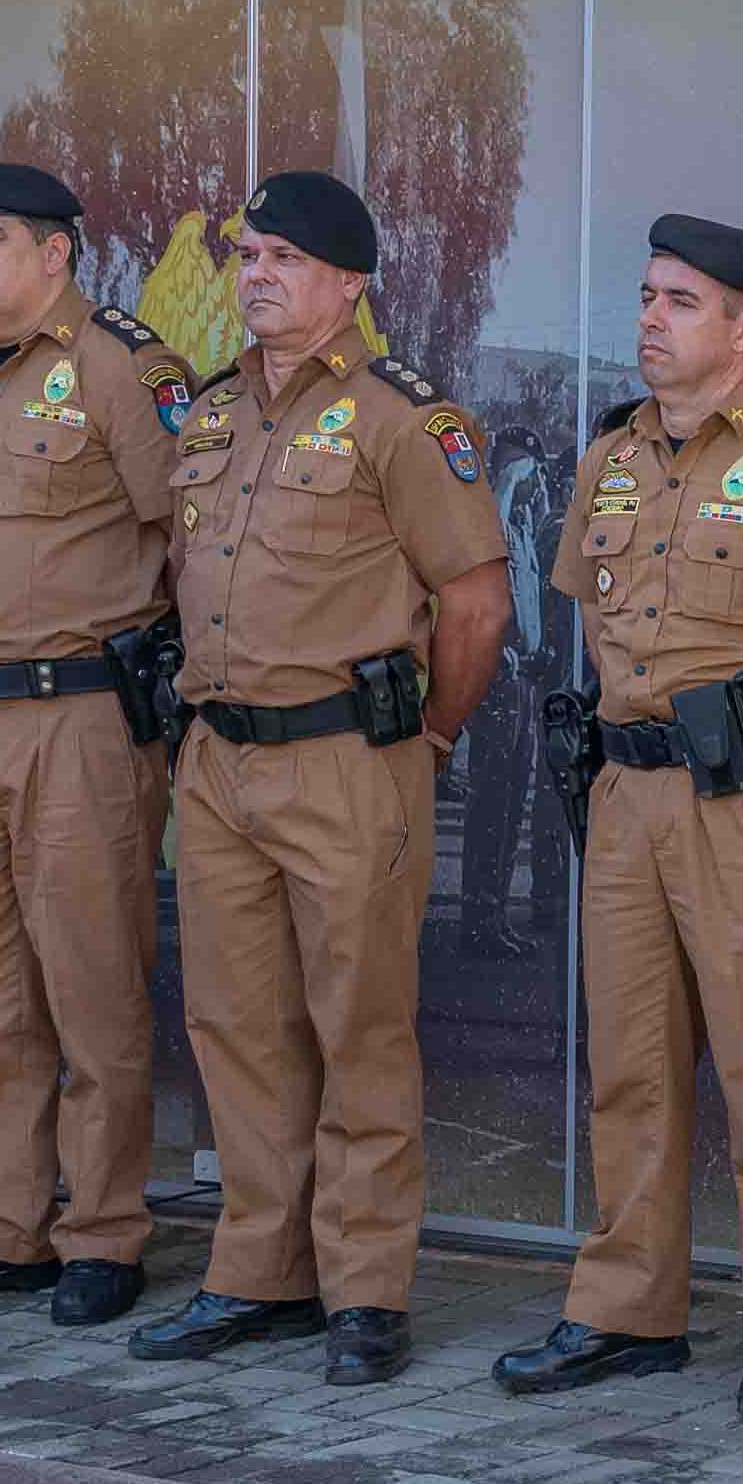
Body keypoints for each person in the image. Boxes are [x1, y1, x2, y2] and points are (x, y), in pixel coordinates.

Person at [490, 216, 743, 1421]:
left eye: (680, 302)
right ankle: (628, 1310)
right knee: (628, 1064)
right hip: (625, 797)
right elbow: (589, 627)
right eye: (645, 295)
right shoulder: (609, 461)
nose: (650, 320)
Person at [137, 171, 511, 1383]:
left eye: (284, 260)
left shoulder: (407, 416)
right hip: (221, 760)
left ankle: (364, 1289)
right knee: (237, 1027)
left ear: (349, 285)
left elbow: (475, 603)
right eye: (247, 258)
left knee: (358, 1028)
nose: (256, 278)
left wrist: (426, 742)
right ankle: (258, 1272)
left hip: (350, 761)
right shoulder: (208, 415)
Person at [0, 163, 193, 1328]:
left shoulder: (126, 367)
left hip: (79, 719)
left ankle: (103, 1232)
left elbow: (190, 541)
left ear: (56, 253)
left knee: (92, 982)